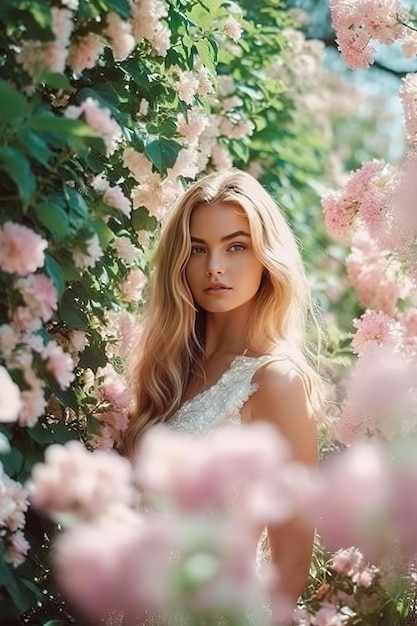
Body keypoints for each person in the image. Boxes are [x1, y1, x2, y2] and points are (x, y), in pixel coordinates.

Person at [121, 168, 321, 624]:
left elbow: (291, 564)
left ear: (266, 256)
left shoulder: (275, 382)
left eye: (236, 246)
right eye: (197, 249)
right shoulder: (167, 374)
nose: (215, 265)